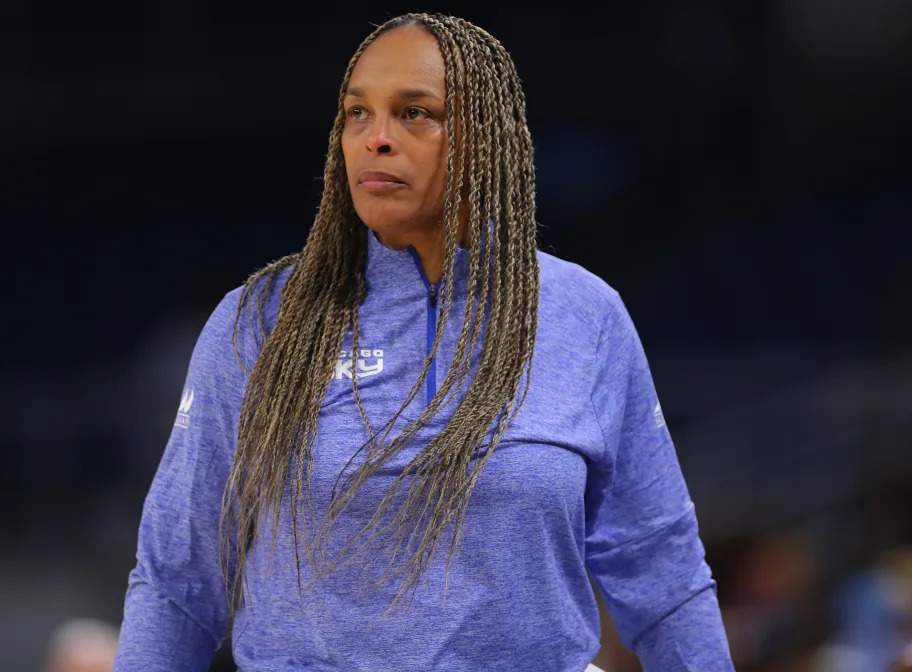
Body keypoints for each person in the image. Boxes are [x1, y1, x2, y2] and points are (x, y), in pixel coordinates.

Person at [113, 13, 734, 672]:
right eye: (357, 114)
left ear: (485, 140)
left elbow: (663, 575)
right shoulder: (262, 323)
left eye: (415, 113)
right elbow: (177, 580)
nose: (376, 139)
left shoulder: (586, 317)